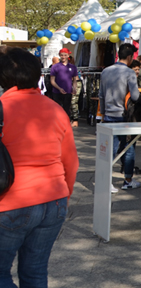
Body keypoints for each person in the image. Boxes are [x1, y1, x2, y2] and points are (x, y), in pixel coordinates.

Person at [0, 48, 79, 288]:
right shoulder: (55, 109)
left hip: (11, 202)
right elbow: (71, 161)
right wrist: (65, 193)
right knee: (35, 272)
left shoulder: (2, 108)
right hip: (53, 200)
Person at [99, 43, 141, 190]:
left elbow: (101, 95)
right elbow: (135, 96)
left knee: (109, 150)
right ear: (129, 57)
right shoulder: (129, 73)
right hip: (125, 116)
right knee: (128, 148)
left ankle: (106, 181)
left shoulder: (105, 71)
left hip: (109, 115)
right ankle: (128, 180)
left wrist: (103, 113)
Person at [50, 48, 78, 125]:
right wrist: (59, 88)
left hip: (68, 91)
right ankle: (57, 123)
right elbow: (52, 80)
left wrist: (74, 88)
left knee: (67, 108)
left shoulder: (72, 67)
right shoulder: (55, 67)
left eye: (65, 55)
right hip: (57, 91)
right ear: (59, 55)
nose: (63, 57)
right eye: (62, 55)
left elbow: (75, 80)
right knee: (57, 108)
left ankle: (65, 123)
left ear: (68, 55)